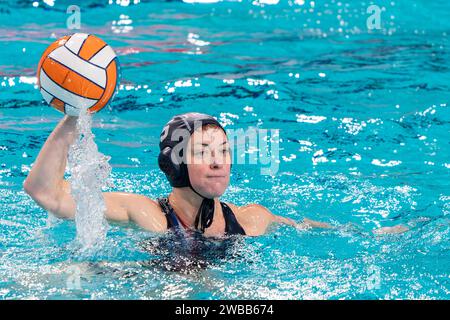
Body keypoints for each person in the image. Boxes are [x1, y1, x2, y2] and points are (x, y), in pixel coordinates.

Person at [23, 112, 406, 238]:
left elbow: (306, 226)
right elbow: (46, 193)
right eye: (204, 153)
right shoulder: (146, 215)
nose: (220, 161)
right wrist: (75, 118)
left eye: (224, 151)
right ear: (176, 163)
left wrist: (372, 235)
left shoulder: (252, 219)